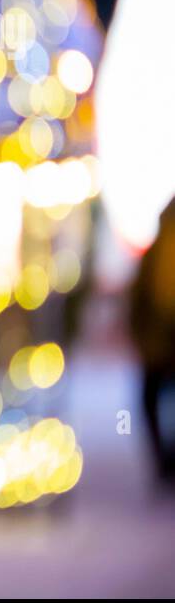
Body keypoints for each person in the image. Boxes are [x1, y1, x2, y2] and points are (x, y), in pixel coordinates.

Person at [129, 197, 175, 481]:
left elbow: (140, 299)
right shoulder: (158, 251)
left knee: (150, 399)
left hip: (158, 342)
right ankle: (165, 459)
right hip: (159, 341)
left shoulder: (157, 250)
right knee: (151, 398)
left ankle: (164, 459)